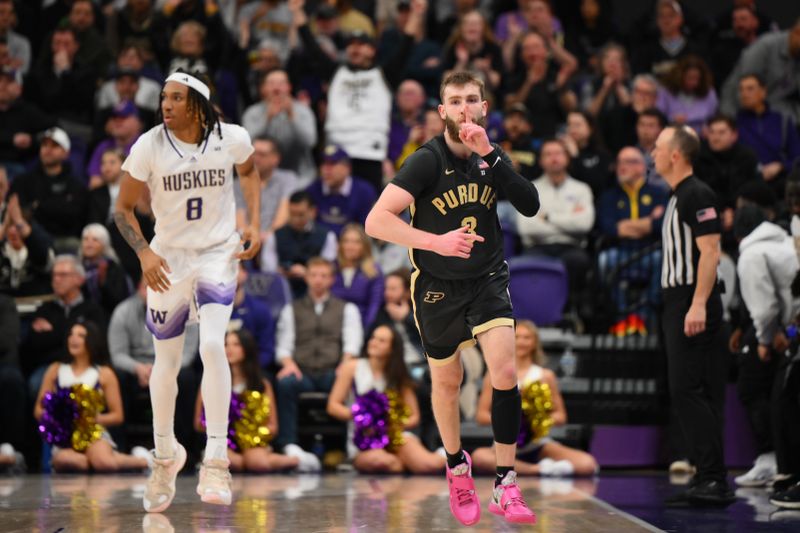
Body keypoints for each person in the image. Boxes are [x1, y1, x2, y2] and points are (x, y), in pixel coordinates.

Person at [365, 71, 540, 525]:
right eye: (456, 100)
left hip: (487, 278)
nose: (464, 108)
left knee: (505, 370)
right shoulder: (426, 160)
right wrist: (434, 242)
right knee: (448, 382)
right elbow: (375, 221)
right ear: (442, 111)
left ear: (484, 108)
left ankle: (505, 481)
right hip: (437, 286)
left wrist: (491, 154)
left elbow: (530, 204)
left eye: (472, 99)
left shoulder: (491, 156)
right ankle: (457, 466)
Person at [114, 69, 262, 512]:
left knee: (214, 345)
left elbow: (249, 171)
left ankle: (216, 459)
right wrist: (144, 253)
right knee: (167, 363)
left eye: (176, 97)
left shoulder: (231, 138)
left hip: (217, 253)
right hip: (168, 258)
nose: (166, 103)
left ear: (198, 104)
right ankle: (165, 455)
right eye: (164, 96)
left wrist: (253, 223)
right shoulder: (149, 145)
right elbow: (122, 209)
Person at [654, 125, 735, 507]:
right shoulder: (677, 195)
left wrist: (699, 303)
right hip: (678, 299)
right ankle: (707, 477)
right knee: (686, 390)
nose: (652, 153)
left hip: (691, 298)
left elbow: (711, 251)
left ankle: (713, 479)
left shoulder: (696, 193)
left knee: (689, 389)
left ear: (675, 155)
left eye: (658, 147)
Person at [471, 320, 597, 476]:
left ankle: (524, 468)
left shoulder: (545, 375)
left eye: (527, 337)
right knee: (479, 458)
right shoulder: (494, 375)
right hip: (504, 444)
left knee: (587, 464)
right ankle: (539, 470)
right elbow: (481, 415)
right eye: (517, 337)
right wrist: (511, 421)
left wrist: (534, 420)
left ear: (535, 342)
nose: (521, 342)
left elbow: (560, 416)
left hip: (538, 444)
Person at [327, 324, 446, 474]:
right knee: (386, 463)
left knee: (429, 465)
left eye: (381, 340)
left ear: (392, 349)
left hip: (394, 436)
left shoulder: (398, 373)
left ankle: (454, 457)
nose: (373, 342)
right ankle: (405, 465)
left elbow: (414, 417)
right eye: (373, 338)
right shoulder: (351, 367)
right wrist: (363, 416)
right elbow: (333, 406)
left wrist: (388, 424)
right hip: (364, 440)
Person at [273, 257, 362, 454]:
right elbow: (283, 345)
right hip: (302, 372)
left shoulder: (347, 309)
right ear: (306, 278)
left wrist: (345, 365)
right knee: (285, 383)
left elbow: (352, 343)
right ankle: (288, 443)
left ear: (331, 279)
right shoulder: (291, 309)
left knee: (350, 381)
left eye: (323, 276)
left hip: (333, 371)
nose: (318, 280)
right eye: (313, 275)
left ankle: (346, 445)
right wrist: (289, 364)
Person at [34, 322, 149, 473]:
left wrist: (89, 419)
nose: (73, 339)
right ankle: (96, 460)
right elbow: (38, 409)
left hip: (93, 434)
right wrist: (58, 418)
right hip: (65, 437)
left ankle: (144, 460)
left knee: (104, 463)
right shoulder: (55, 369)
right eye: (71, 334)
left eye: (81, 335)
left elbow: (118, 415)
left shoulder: (104, 373)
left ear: (92, 341)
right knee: (74, 462)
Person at [194, 329, 305, 473]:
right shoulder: (211, 381)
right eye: (226, 344)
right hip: (222, 441)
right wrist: (227, 430)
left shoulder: (261, 384)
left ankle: (298, 460)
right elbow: (198, 423)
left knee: (257, 463)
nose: (229, 349)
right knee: (233, 462)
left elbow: (273, 426)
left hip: (253, 442)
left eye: (236, 344)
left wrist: (251, 435)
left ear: (247, 348)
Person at [333, 223, 385, 329]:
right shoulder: (332, 268)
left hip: (361, 327)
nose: (350, 246)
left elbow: (374, 306)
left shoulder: (373, 271)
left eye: (356, 242)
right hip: (331, 327)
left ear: (364, 246)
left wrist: (364, 330)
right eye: (346, 241)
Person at [78, 223, 131, 317]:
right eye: (85, 239)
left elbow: (118, 299)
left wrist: (103, 282)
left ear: (104, 245)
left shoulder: (113, 268)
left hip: (108, 315)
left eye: (95, 240)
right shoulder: (76, 267)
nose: (89, 244)